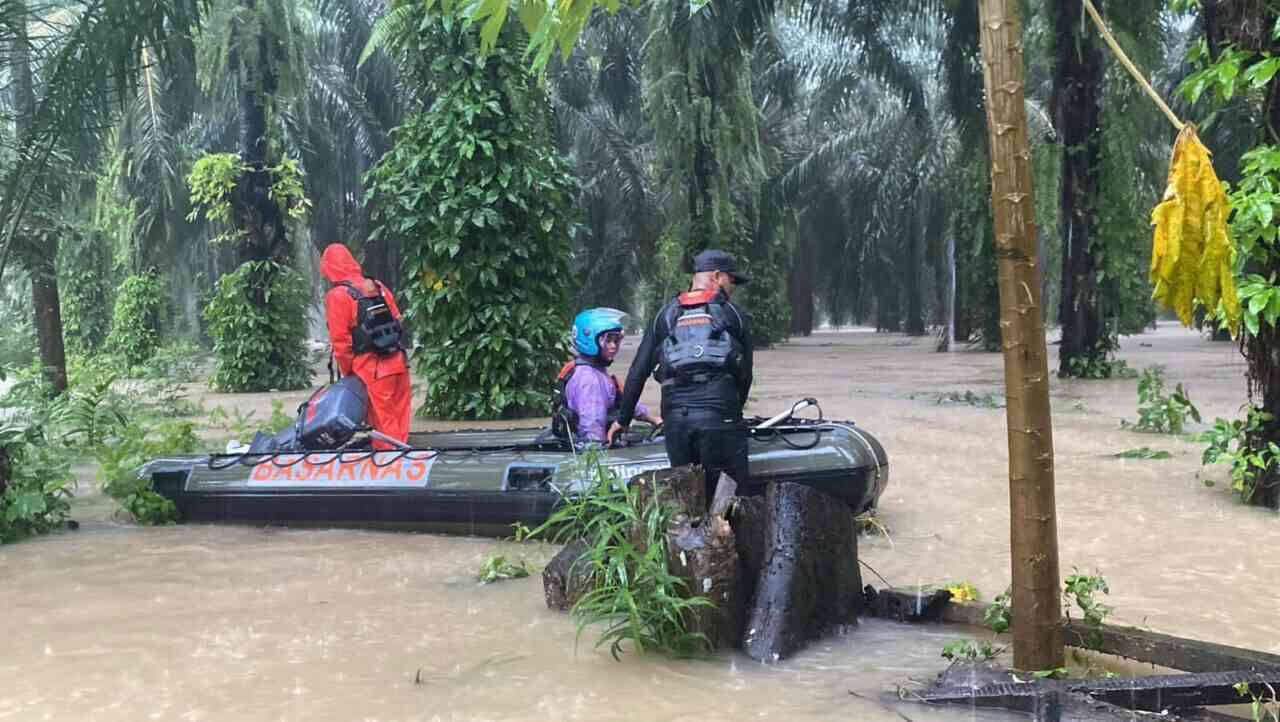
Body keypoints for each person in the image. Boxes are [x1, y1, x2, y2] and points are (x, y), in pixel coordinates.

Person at [608, 249, 754, 502]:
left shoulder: (664, 315)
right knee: (732, 500)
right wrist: (732, 413)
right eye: (732, 281)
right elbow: (746, 376)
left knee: (686, 500)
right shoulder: (734, 315)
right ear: (718, 276)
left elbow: (638, 372)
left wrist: (622, 418)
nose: (733, 288)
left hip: (677, 424)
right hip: (719, 417)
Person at [320, 243, 412, 449]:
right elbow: (397, 319)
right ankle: (408, 468)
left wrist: (349, 375)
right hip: (398, 363)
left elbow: (341, 343)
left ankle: (391, 473)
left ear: (328, 267)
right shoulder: (377, 286)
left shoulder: (338, 296)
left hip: (371, 370)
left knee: (384, 433)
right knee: (400, 425)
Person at [553, 308, 661, 444]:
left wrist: (654, 419)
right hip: (591, 446)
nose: (613, 346)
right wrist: (600, 452)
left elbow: (624, 402)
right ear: (589, 340)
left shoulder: (595, 371)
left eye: (616, 340)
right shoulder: (589, 380)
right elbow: (592, 427)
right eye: (608, 340)